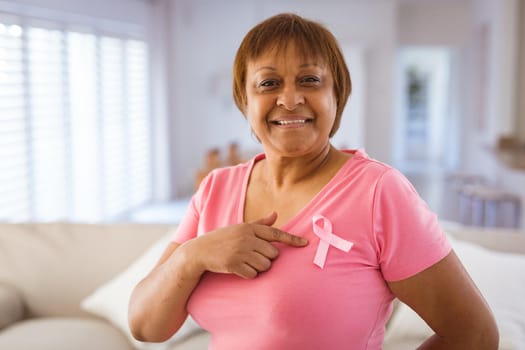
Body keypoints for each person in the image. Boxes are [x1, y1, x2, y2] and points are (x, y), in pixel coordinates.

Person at [129, 13, 498, 349]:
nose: (289, 100)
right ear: (245, 101)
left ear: (337, 95)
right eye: (268, 83)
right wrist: (193, 257)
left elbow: (475, 335)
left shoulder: (378, 192)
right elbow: (146, 326)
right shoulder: (215, 190)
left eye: (310, 80)